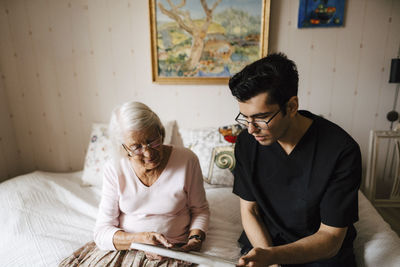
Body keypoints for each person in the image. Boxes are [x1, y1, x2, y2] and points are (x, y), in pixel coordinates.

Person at [228, 53, 361, 267]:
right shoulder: (246, 142)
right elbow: (249, 210)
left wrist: (272, 258)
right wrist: (269, 259)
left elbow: (331, 238)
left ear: (291, 107)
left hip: (321, 252)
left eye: (261, 118)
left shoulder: (341, 150)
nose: (251, 129)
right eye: (245, 117)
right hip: (265, 244)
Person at [60, 101, 209, 266]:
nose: (148, 152)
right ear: (123, 147)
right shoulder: (114, 168)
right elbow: (102, 232)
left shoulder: (187, 160)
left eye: (153, 141)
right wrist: (140, 239)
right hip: (127, 247)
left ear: (161, 132)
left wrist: (195, 238)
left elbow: (200, 210)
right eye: (136, 147)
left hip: (175, 250)